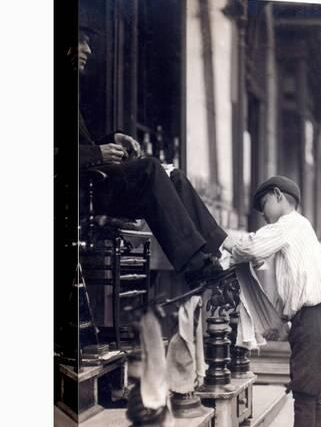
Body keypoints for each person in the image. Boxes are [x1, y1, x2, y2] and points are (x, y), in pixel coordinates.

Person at [58, 27, 227, 284]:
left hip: (92, 183)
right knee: (149, 169)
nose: (88, 49)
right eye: (81, 41)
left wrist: (111, 140)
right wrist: (97, 153)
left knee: (173, 175)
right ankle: (195, 266)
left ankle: (219, 252)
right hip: (78, 195)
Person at [223, 176, 321, 427]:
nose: (262, 214)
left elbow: (251, 247)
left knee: (305, 393)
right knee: (314, 393)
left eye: (263, 205)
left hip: (314, 318)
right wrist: (280, 320)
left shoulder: (290, 224)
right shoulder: (298, 232)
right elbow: (287, 287)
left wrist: (226, 244)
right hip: (320, 318)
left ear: (278, 196)